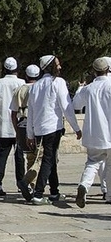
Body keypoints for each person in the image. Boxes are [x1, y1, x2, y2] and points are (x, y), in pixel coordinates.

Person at [19, 55, 82, 205]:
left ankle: (54, 191)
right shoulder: (57, 82)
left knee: (51, 158)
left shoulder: (36, 86)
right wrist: (76, 128)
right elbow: (66, 107)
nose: (60, 67)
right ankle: (38, 193)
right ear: (50, 67)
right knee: (48, 159)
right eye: (57, 65)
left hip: (40, 129)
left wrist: (30, 134)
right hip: (53, 128)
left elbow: (31, 112)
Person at [72, 58, 111, 208]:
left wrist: (79, 89)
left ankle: (84, 185)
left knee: (93, 162)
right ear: (108, 69)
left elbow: (76, 105)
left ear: (94, 71)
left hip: (95, 134)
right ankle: (109, 195)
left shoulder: (89, 89)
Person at [0, 57, 25, 196]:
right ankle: (21, 183)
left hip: (3, 125)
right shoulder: (21, 83)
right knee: (19, 156)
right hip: (19, 125)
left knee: (2, 155)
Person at [10, 64, 41, 188]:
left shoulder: (19, 90)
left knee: (30, 157)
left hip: (22, 124)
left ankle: (32, 184)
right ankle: (31, 183)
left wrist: (16, 130)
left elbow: (13, 113)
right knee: (42, 157)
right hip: (39, 125)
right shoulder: (40, 88)